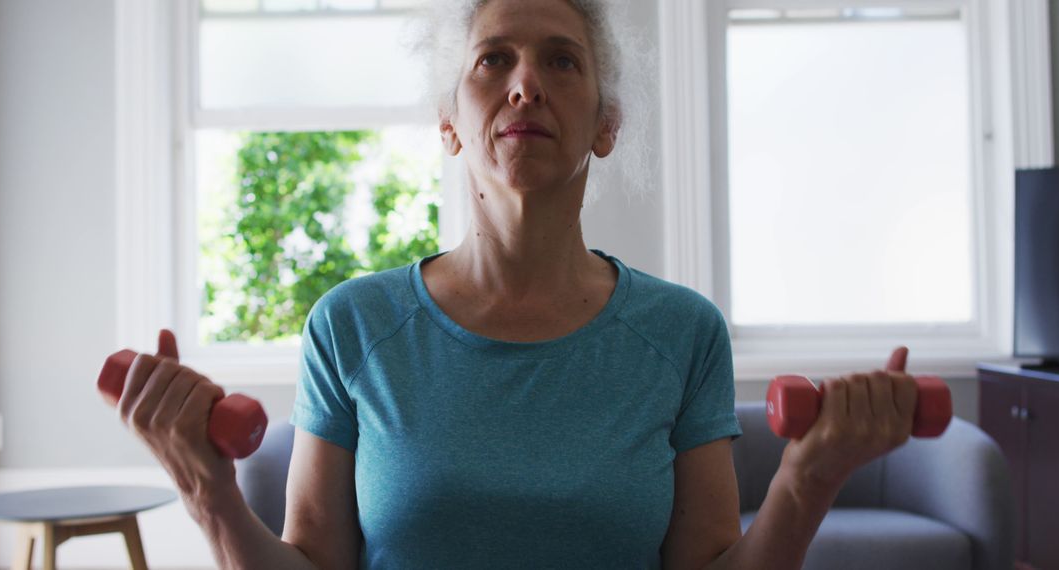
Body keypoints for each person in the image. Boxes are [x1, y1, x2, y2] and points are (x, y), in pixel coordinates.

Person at [116, 0, 921, 568]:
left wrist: (807, 479)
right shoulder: (351, 326)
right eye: (494, 58)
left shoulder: (682, 333)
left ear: (607, 125)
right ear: (448, 120)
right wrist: (207, 490)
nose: (525, 84)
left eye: (561, 60)